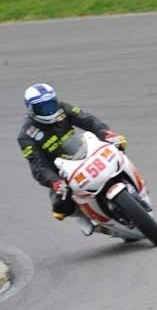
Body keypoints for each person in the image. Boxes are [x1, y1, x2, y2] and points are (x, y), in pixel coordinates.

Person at [17, 83, 128, 236]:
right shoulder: (26, 135)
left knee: (117, 148)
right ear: (31, 109)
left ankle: (131, 183)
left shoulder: (62, 108)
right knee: (61, 206)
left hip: (81, 151)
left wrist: (106, 134)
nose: (50, 110)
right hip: (61, 171)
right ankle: (83, 216)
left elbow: (88, 120)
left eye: (51, 104)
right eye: (43, 108)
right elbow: (38, 166)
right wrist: (54, 182)